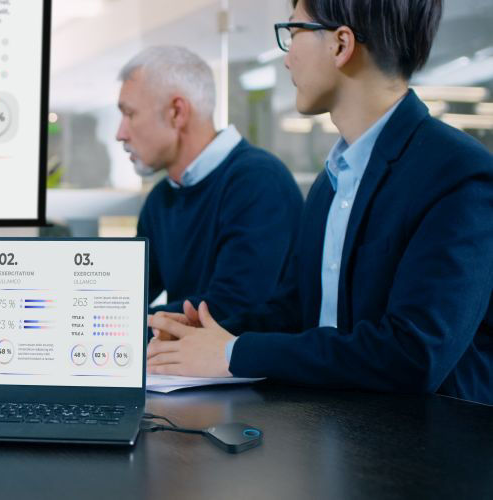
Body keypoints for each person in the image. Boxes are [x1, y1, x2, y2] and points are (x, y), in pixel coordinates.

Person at [147, 0, 493, 405]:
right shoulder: (334, 180)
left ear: (341, 45)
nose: (287, 58)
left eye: (293, 33)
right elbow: (296, 311)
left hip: (425, 452)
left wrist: (231, 353)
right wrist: (205, 332)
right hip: (332, 430)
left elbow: (413, 355)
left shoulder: (458, 174)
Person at [117, 46, 303, 321]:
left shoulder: (258, 183)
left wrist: (118, 325)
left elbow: (230, 311)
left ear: (177, 112)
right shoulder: (161, 198)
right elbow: (124, 293)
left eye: (129, 114)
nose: (120, 134)